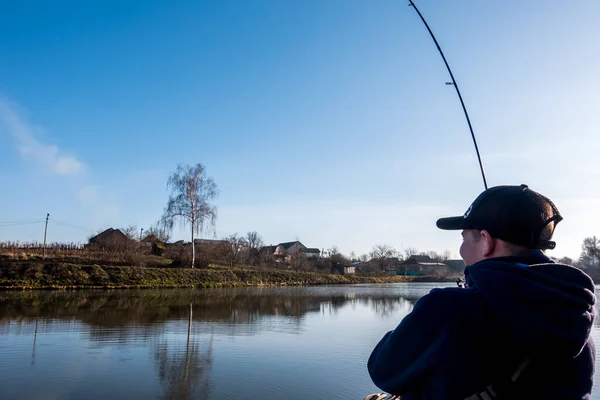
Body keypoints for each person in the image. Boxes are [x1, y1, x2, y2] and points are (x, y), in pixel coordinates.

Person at [366, 184, 596, 399]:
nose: (462, 248)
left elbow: (383, 371)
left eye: (464, 237)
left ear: (486, 242)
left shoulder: (446, 308)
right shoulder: (576, 317)